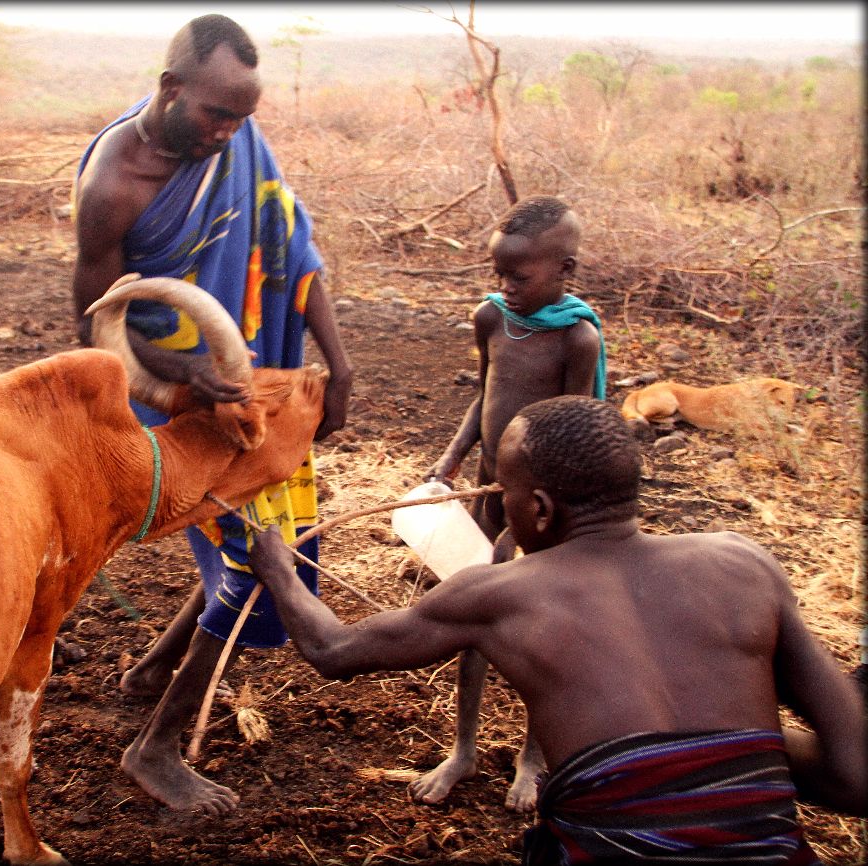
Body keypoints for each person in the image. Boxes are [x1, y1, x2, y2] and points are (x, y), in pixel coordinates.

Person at [249, 395, 866, 863]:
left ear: (538, 509)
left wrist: (278, 568)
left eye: (505, 492)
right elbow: (854, 774)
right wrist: (731, 753)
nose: (501, 503)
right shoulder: (745, 563)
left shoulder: (499, 592)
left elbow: (333, 648)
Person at [70, 14, 353, 816]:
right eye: (215, 116)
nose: (229, 133)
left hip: (261, 385)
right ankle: (155, 746)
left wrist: (339, 362)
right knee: (266, 566)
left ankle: (152, 669)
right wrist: (184, 376)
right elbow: (97, 321)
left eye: (242, 117)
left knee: (253, 540)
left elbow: (291, 243)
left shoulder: (237, 148)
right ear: (170, 90)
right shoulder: (114, 185)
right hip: (177, 401)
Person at [418, 194, 604, 811]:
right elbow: (484, 397)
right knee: (474, 619)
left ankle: (532, 756)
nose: (505, 286)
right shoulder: (491, 318)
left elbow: (574, 426)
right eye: (498, 273)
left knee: (538, 629)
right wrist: (449, 462)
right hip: (488, 491)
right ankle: (464, 752)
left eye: (518, 276)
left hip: (542, 508)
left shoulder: (578, 341)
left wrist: (540, 501)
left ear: (564, 270)